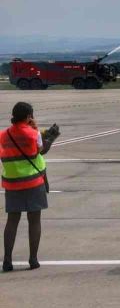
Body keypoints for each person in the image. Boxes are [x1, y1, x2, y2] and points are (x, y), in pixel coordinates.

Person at [1, 102, 59, 272]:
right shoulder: (33, 134)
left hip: (12, 183)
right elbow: (41, 151)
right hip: (33, 182)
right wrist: (50, 137)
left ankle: (7, 260)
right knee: (34, 221)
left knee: (12, 221)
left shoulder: (3, 135)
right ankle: (33, 259)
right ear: (28, 117)